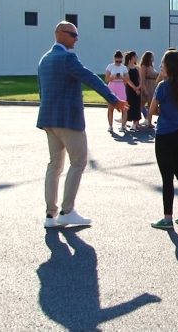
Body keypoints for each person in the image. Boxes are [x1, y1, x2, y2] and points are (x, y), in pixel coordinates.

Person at [37, 21, 128, 228]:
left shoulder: (44, 59)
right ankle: (67, 211)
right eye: (73, 35)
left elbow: (42, 90)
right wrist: (113, 99)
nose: (76, 39)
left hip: (49, 120)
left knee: (54, 165)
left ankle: (50, 215)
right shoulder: (68, 58)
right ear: (60, 33)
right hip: (68, 120)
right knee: (78, 162)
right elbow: (90, 78)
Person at [149, 50, 178, 229]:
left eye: (163, 64)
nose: (161, 67)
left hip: (165, 134)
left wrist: (163, 111)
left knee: (167, 178)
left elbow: (152, 109)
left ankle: (167, 218)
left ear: (169, 66)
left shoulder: (163, 86)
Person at [104, 50, 129, 133]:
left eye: (120, 61)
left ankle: (123, 126)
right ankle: (110, 126)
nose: (118, 63)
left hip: (121, 86)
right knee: (110, 108)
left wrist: (122, 77)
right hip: (112, 86)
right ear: (114, 59)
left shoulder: (124, 67)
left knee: (124, 108)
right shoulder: (110, 66)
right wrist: (113, 77)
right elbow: (106, 79)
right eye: (117, 61)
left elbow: (127, 80)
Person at [139, 50, 160, 125]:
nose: (153, 58)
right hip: (147, 85)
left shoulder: (151, 66)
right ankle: (139, 119)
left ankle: (149, 121)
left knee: (151, 105)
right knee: (141, 103)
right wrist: (144, 89)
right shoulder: (143, 66)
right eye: (152, 57)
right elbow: (142, 79)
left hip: (153, 85)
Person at [124, 51, 142, 130]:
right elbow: (128, 80)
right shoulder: (126, 67)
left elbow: (140, 78)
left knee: (137, 105)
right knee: (129, 104)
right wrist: (135, 88)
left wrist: (139, 86)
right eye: (136, 56)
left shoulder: (137, 67)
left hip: (138, 88)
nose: (137, 58)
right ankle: (126, 121)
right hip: (130, 89)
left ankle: (135, 122)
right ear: (132, 57)